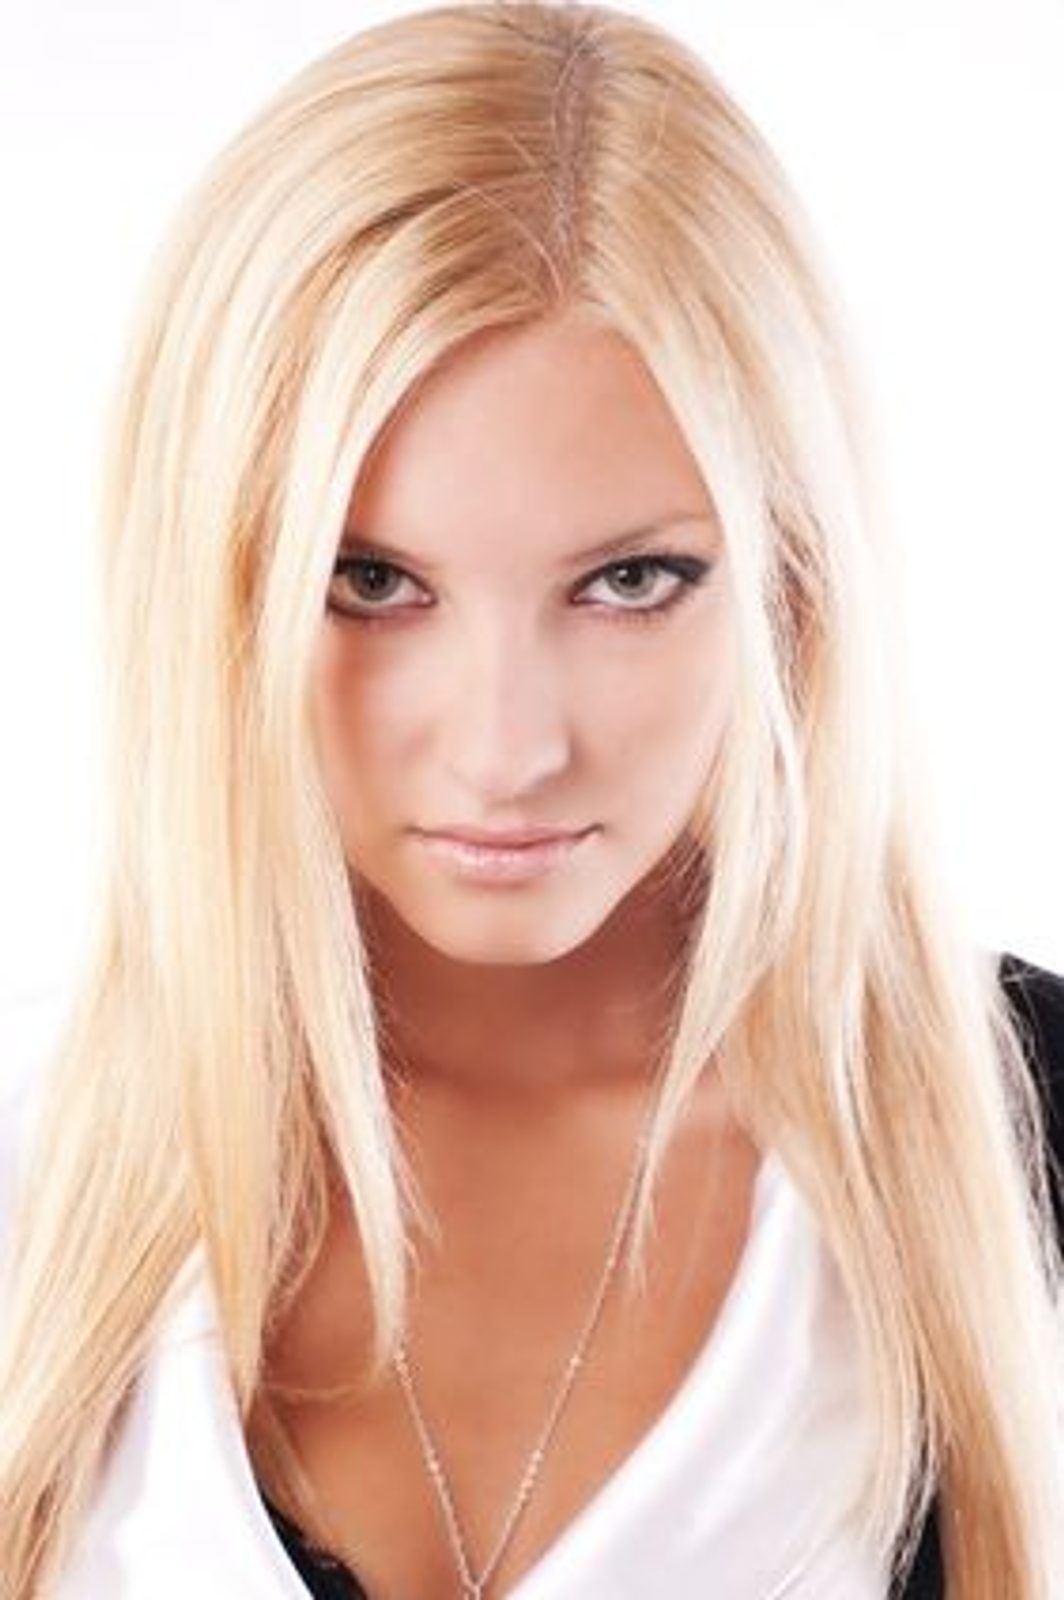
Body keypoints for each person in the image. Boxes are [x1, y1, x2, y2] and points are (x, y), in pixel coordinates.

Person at [0, 2, 1061, 1596]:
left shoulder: (1021, 1151)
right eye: (372, 582)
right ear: (207, 583)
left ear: (796, 575)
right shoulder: (33, 1200)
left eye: (630, 581)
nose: (506, 749)